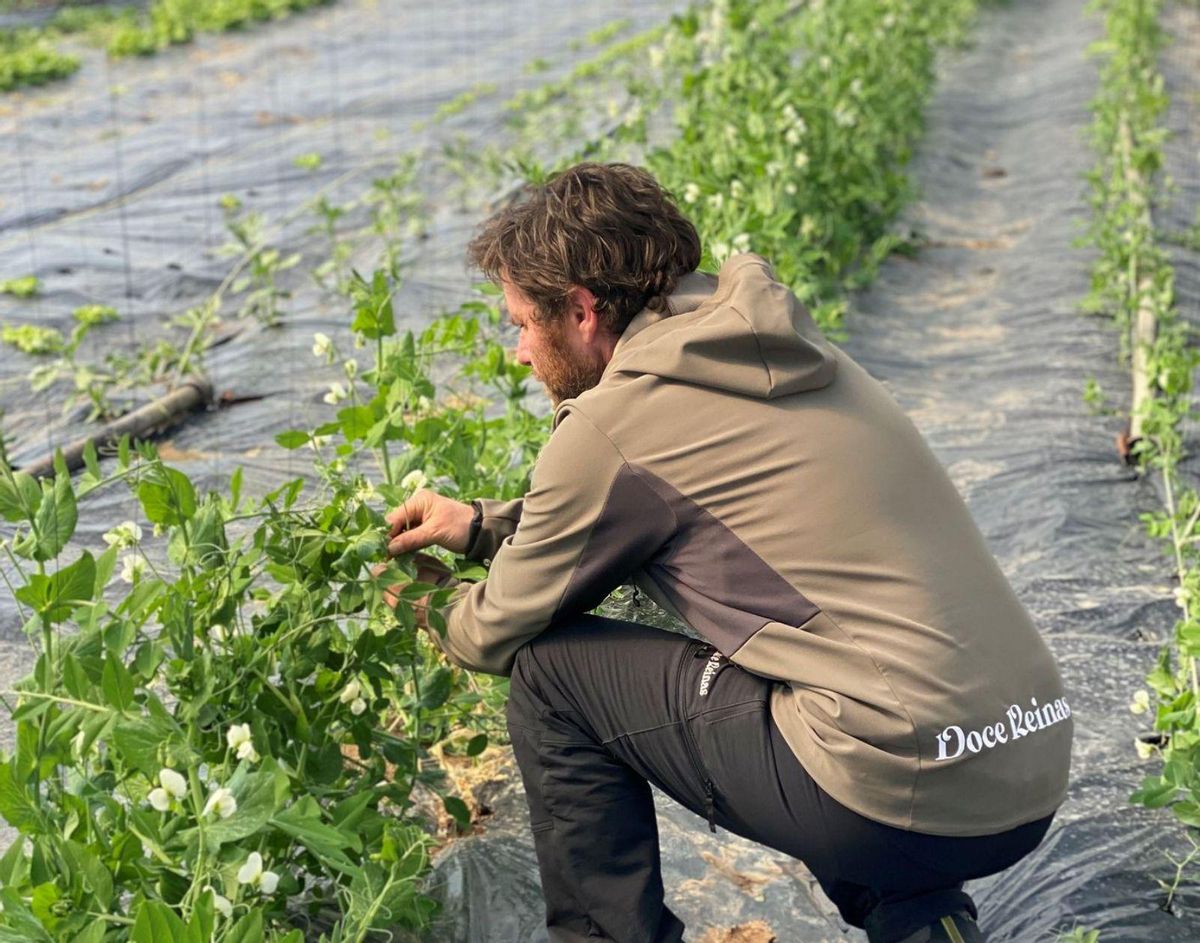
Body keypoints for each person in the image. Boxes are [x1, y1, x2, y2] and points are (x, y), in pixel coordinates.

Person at [380, 162, 1072, 943]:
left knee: (552, 676)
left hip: (898, 791)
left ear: (578, 311)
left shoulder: (615, 424)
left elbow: (489, 632)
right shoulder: (765, 344)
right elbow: (645, 506)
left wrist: (409, 592)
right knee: (820, 663)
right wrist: (479, 523)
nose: (518, 353)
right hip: (1022, 767)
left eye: (519, 324)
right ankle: (925, 923)